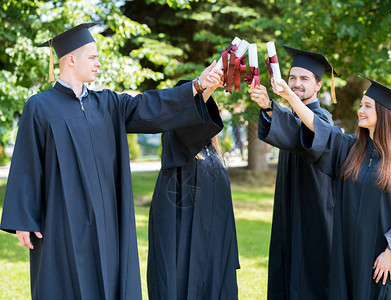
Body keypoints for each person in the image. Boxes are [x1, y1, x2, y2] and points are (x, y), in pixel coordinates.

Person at [0, 22, 223, 299]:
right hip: (61, 220)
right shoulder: (39, 107)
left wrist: (198, 85)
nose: (98, 63)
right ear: (71, 59)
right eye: (92, 57)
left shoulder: (108, 104)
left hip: (108, 219)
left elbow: (151, 105)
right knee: (64, 281)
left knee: (110, 279)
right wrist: (24, 219)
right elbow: (26, 165)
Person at [270, 73, 391, 299]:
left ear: (384, 114)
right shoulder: (351, 150)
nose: (361, 111)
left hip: (384, 261)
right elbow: (320, 129)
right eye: (361, 105)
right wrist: (289, 97)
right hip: (349, 256)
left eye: (368, 106)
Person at [248, 47, 336, 299]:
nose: (296, 84)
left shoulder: (323, 118)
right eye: (292, 77)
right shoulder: (291, 115)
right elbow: (289, 122)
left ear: (318, 85)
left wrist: (272, 105)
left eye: (304, 79)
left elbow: (301, 130)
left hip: (314, 216)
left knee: (311, 280)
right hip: (289, 211)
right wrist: (267, 105)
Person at [147, 79, 239, 299]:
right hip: (182, 241)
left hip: (214, 244)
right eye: (194, 108)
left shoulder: (214, 154)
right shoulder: (176, 146)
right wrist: (209, 88)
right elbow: (182, 123)